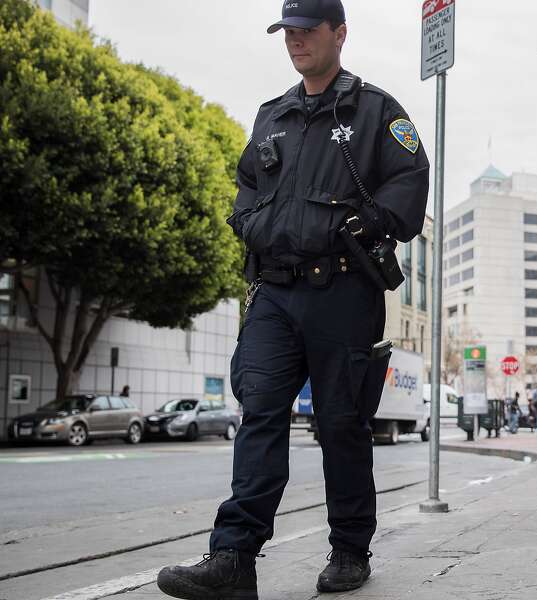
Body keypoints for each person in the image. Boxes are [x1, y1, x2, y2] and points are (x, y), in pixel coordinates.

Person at [156, 1, 429, 597]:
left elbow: (410, 182)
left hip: (343, 291)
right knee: (259, 413)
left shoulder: (376, 111)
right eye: (288, 31)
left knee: (342, 424)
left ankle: (350, 549)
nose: (295, 41)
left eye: (307, 30)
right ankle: (233, 558)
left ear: (340, 34)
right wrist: (249, 223)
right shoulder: (272, 115)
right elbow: (247, 184)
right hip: (274, 291)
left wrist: (364, 224)